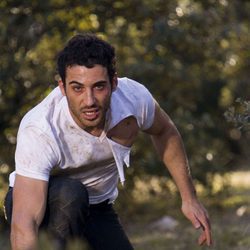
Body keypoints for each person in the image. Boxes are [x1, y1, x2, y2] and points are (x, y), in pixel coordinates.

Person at [4, 33, 212, 250]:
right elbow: (24, 223)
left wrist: (190, 198)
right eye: (77, 88)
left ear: (114, 83)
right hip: (43, 204)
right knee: (71, 193)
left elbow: (165, 132)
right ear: (62, 88)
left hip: (97, 207)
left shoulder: (133, 98)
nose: (89, 101)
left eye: (99, 87)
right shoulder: (40, 128)